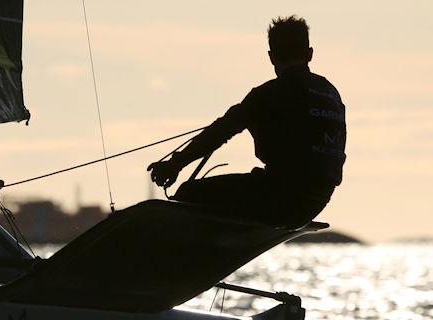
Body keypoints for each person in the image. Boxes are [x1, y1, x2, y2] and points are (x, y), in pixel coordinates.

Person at [148, 15, 346, 227]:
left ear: (271, 56)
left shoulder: (269, 95)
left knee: (190, 191)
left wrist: (175, 164)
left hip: (279, 197)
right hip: (316, 201)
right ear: (309, 54)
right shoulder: (331, 94)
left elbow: (220, 131)